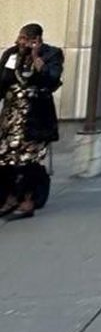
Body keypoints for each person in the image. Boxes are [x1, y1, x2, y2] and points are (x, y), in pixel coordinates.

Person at [0, 23, 63, 218]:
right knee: (5, 158)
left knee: (29, 160)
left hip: (36, 116)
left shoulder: (51, 54)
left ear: (38, 40)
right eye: (21, 39)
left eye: (27, 40)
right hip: (11, 117)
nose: (22, 43)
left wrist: (36, 58)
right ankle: (9, 197)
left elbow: (52, 80)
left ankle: (28, 200)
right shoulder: (11, 54)